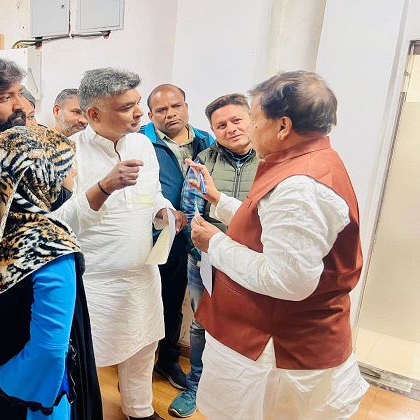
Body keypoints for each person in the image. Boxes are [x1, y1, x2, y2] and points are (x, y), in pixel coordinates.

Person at [188, 71, 369, 419]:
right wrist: (219, 201)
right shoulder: (310, 161)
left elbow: (288, 280)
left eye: (254, 120)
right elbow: (270, 226)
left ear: (283, 126)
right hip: (266, 334)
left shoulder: (299, 187)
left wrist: (215, 243)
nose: (250, 129)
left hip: (276, 346)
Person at [0, 53, 134, 298]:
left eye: (19, 93)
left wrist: (97, 191)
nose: (20, 105)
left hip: (43, 288)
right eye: (5, 98)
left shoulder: (29, 149)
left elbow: (50, 226)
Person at [0, 126, 103, 420]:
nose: (73, 173)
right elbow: (49, 349)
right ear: (39, 176)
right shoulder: (50, 246)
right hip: (23, 394)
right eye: (65, 166)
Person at [71, 68, 187, 420]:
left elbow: (152, 194)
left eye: (138, 103)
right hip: (94, 281)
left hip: (141, 271)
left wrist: (164, 212)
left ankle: (139, 409)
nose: (139, 113)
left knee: (142, 347)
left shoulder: (141, 144)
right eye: (126, 107)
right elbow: (63, 221)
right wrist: (104, 187)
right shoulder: (70, 153)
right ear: (94, 114)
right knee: (85, 356)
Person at [170, 93, 259, 418]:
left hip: (252, 263)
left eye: (236, 120)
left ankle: (239, 391)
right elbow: (191, 211)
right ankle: (196, 385)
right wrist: (203, 253)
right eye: (221, 125)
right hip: (205, 260)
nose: (230, 128)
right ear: (213, 130)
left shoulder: (271, 161)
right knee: (201, 324)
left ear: (251, 120)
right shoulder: (203, 160)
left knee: (249, 325)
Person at [139, 84, 213, 390]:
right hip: (154, 234)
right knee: (147, 301)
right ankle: (138, 366)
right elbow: (135, 190)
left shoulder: (206, 141)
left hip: (193, 236)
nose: (170, 114)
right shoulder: (140, 140)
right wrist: (159, 211)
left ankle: (168, 360)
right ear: (150, 115)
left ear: (186, 107)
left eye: (176, 106)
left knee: (177, 302)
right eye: (161, 110)